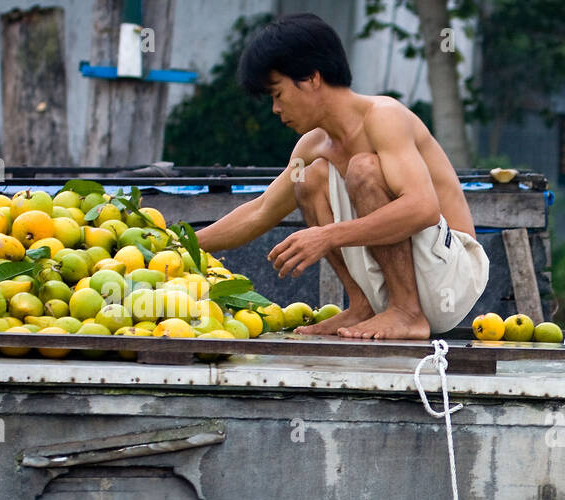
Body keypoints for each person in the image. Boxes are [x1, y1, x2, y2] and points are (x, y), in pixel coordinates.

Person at [194, 13, 489, 340]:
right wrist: (185, 242)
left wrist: (327, 236)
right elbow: (262, 209)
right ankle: (363, 305)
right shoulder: (312, 146)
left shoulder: (384, 117)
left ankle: (407, 313)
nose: (275, 109)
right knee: (306, 178)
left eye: (277, 94)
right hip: (398, 286)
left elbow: (423, 208)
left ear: (310, 78)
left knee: (364, 168)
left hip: (451, 278)